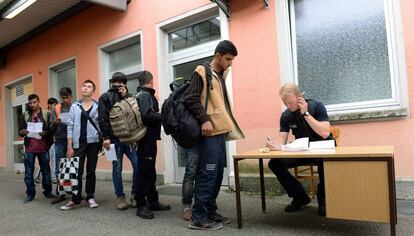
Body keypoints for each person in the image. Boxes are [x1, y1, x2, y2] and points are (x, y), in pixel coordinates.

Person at [184, 40, 244, 230]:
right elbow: (191, 98)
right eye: (227, 59)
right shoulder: (202, 71)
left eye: (232, 60)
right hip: (209, 132)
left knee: (217, 175)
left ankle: (210, 211)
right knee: (207, 174)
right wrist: (205, 120)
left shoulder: (218, 75)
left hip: (219, 132)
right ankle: (199, 218)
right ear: (218, 55)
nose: (230, 63)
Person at [266, 83, 334, 216]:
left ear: (299, 96)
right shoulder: (286, 116)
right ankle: (300, 197)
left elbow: (325, 133)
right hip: (303, 151)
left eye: (290, 102)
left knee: (324, 162)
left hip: (323, 148)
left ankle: (323, 200)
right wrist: (274, 145)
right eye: (285, 103)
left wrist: (306, 114)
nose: (288, 106)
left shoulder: (316, 106)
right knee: (274, 163)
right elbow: (282, 139)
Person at [98, 72, 139, 210]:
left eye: (120, 83)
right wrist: (106, 138)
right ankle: (120, 197)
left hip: (130, 138)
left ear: (125, 84)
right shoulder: (104, 97)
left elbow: (134, 113)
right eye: (115, 82)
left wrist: (125, 96)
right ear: (112, 83)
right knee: (117, 169)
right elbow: (102, 118)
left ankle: (135, 194)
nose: (117, 85)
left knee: (137, 164)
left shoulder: (129, 96)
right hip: (113, 139)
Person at [135, 70, 171, 219]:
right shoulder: (144, 95)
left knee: (150, 171)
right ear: (150, 81)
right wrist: (163, 114)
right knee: (144, 173)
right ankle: (141, 205)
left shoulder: (144, 94)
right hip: (145, 140)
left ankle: (153, 201)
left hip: (148, 139)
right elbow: (147, 116)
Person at [61, 80, 100, 210]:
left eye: (89, 86)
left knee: (91, 171)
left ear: (93, 91)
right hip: (78, 143)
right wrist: (69, 146)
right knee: (77, 171)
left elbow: (101, 124)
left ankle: (90, 197)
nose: (85, 88)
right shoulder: (75, 106)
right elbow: (70, 126)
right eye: (84, 86)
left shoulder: (97, 106)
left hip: (93, 142)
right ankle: (75, 199)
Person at [18, 94, 55, 203]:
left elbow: (51, 130)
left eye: (34, 102)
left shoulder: (46, 114)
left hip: (43, 147)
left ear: (38, 102)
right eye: (30, 103)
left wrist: (45, 133)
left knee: (46, 171)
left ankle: (47, 192)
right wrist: (23, 132)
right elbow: (20, 131)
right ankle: (30, 194)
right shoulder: (24, 115)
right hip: (29, 147)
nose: (32, 105)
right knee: (28, 172)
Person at [50, 88, 73, 204]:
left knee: (72, 166)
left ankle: (73, 191)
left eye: (67, 97)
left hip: (72, 140)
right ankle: (60, 193)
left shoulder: (75, 106)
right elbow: (50, 126)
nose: (65, 100)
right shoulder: (56, 108)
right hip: (59, 139)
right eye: (63, 98)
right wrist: (54, 123)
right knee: (59, 166)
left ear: (71, 96)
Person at [34, 97, 58, 185]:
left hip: (52, 140)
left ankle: (38, 177)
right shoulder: (46, 114)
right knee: (48, 159)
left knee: (49, 159)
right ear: (49, 105)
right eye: (54, 105)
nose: (55, 106)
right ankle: (52, 177)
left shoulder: (54, 114)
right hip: (47, 141)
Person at [179, 145, 199, 221]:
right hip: (192, 141)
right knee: (190, 173)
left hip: (208, 139)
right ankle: (187, 206)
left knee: (205, 173)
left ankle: (204, 204)